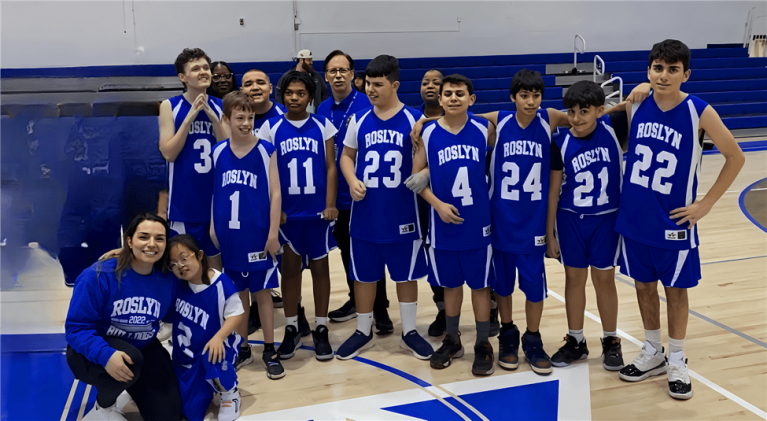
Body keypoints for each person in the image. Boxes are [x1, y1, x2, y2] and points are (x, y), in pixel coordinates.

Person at [615, 39, 744, 400]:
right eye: (658, 68)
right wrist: (636, 92)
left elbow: (735, 157)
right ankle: (653, 350)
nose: (664, 75)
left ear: (686, 74)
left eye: (673, 69)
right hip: (635, 219)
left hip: (674, 224)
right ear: (648, 71)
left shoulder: (699, 111)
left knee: (676, 293)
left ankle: (676, 358)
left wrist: (705, 204)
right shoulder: (635, 106)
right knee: (642, 288)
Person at [473, 69, 571, 375]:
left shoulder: (550, 118)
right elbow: (460, 116)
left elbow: (591, 115)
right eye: (524, 95)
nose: (531, 101)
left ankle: (532, 337)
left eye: (536, 95)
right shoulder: (499, 120)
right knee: (503, 287)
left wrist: (636, 96)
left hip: (533, 224)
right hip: (501, 220)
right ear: (513, 96)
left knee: (534, 287)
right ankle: (508, 333)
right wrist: (424, 121)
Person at [335, 54, 433, 360]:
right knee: (364, 276)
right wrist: (351, 180)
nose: (371, 90)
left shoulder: (413, 120)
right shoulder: (359, 120)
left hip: (403, 213)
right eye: (368, 85)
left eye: (378, 85)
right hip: (365, 214)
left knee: (405, 275)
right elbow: (346, 156)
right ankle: (363, 331)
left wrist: (423, 173)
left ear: (395, 85)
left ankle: (409, 332)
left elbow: (427, 160)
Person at [413, 74, 497, 376]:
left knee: (480, 285)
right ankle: (453, 338)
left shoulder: (484, 129)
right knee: (450, 285)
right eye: (447, 93)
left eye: (460, 93)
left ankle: (484, 343)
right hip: (442, 224)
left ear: (471, 100)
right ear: (440, 98)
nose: (452, 98)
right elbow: (414, 180)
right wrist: (437, 204)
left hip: (478, 223)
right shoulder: (428, 134)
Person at [546, 80, 630, 371]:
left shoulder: (614, 128)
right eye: (571, 111)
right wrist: (549, 234)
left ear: (599, 111)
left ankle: (610, 340)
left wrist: (643, 85)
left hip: (606, 219)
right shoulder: (560, 142)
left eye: (584, 111)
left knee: (605, 280)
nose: (577, 118)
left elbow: (634, 103)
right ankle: (577, 340)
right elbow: (553, 192)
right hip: (570, 220)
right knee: (574, 280)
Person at [65, 213, 181, 420]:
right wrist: (105, 354)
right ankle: (104, 407)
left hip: (143, 346)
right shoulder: (98, 276)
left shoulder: (168, 279)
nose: (151, 244)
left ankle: (132, 384)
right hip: (93, 349)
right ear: (129, 240)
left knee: (168, 415)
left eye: (159, 239)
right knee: (131, 360)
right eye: (143, 237)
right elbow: (76, 329)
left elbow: (196, 266)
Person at [258, 71, 339, 361]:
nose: (295, 97)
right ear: (283, 95)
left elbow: (331, 166)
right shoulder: (270, 128)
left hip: (317, 214)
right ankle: (291, 327)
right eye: (290, 93)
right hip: (287, 217)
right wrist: (274, 210)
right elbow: (267, 173)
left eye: (300, 93)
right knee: (289, 272)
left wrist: (330, 203)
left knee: (321, 272)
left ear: (310, 96)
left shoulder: (322, 125)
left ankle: (321, 327)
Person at [210, 91, 285, 379]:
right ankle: (241, 348)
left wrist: (272, 233)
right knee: (238, 295)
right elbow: (216, 192)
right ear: (226, 120)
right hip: (230, 235)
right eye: (239, 118)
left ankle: (269, 348)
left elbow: (276, 193)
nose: (246, 123)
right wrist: (214, 227)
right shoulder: (218, 151)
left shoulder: (267, 150)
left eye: (250, 117)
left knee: (262, 293)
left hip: (258, 234)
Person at [316, 50, 392, 333]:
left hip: (364, 196)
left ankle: (381, 309)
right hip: (335, 198)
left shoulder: (367, 103)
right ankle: (355, 299)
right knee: (349, 255)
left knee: (373, 253)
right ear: (325, 76)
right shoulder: (322, 109)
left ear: (352, 75)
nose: (338, 75)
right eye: (332, 71)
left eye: (343, 70)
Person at [159, 48, 227, 270]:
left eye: (206, 67)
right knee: (184, 265)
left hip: (215, 200)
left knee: (214, 267)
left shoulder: (220, 105)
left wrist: (214, 119)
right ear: (182, 77)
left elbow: (228, 150)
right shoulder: (170, 106)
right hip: (184, 202)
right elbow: (168, 153)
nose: (203, 72)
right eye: (195, 69)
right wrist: (187, 120)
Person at [168, 235, 243, 421]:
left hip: (217, 346)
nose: (180, 266)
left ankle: (230, 394)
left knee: (213, 356)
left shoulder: (221, 282)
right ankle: (208, 385)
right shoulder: (177, 285)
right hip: (186, 357)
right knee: (187, 412)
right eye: (174, 264)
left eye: (184, 258)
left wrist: (219, 337)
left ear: (199, 255)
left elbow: (237, 314)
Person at [239, 68, 286, 332]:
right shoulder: (239, 118)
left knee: (287, 262)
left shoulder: (283, 116)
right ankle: (256, 307)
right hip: (249, 205)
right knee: (251, 262)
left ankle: (294, 311)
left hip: (282, 201)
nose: (255, 87)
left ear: (270, 86)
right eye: (248, 83)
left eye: (260, 82)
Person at [241, 68, 287, 138]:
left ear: (270, 88)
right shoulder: (235, 118)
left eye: (261, 83)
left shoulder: (287, 114)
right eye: (248, 85)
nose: (255, 88)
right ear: (242, 91)